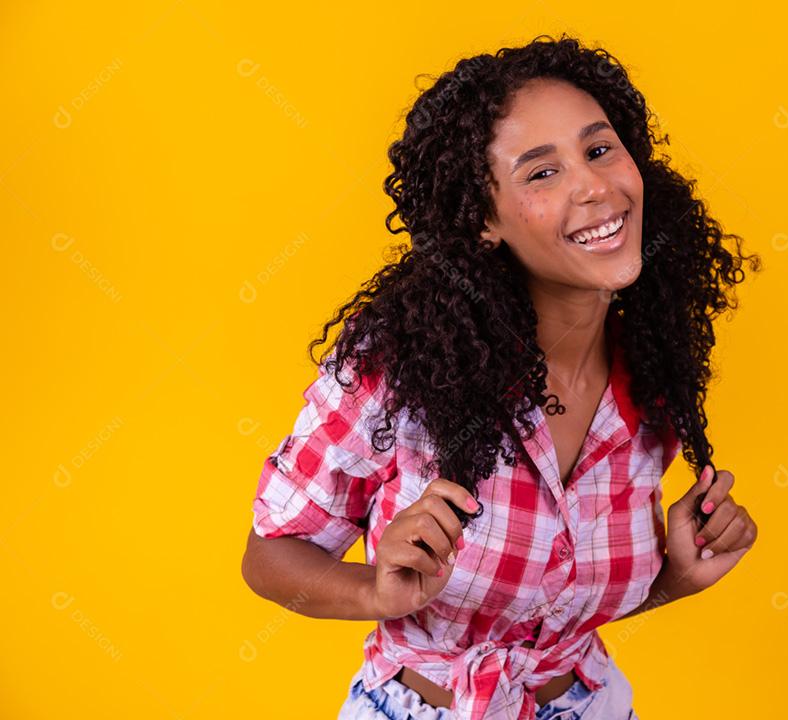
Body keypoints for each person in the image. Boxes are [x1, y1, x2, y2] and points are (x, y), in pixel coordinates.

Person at [241, 33, 761, 720]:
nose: (595, 187)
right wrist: (375, 592)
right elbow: (270, 556)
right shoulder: (399, 364)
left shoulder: (652, 370)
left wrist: (673, 581)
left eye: (599, 150)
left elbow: (549, 612)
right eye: (541, 172)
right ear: (485, 219)